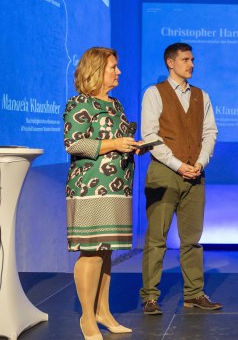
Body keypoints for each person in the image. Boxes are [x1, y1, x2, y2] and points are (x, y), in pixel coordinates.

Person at [64, 47, 142, 340]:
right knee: (91, 252)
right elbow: (74, 144)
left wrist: (132, 145)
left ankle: (103, 312)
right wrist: (114, 145)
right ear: (97, 71)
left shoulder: (115, 105)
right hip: (89, 188)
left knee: (105, 251)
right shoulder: (79, 103)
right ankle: (87, 318)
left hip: (117, 187)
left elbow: (115, 139)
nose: (118, 72)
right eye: (113, 67)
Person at [139, 42, 220, 314]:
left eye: (193, 59)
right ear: (170, 63)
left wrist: (199, 162)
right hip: (164, 174)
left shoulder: (201, 96)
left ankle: (194, 293)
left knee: (192, 239)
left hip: (194, 174)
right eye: (186, 59)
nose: (192, 64)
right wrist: (177, 165)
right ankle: (150, 296)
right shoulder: (154, 93)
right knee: (156, 238)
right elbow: (150, 136)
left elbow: (210, 133)